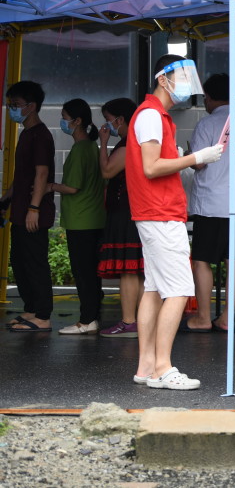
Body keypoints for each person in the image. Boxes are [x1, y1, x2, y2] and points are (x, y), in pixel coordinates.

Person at [128, 55, 222, 390]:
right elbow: (151, 167)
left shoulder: (154, 115)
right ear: (163, 78)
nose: (186, 85)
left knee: (154, 289)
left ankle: (147, 366)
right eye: (182, 77)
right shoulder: (152, 115)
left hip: (154, 213)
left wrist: (188, 158)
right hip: (160, 213)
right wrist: (197, 157)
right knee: (180, 290)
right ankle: (163, 369)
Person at [184, 74, 235, 333]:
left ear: (211, 97)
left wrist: (186, 156)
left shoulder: (208, 124)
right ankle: (227, 318)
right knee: (233, 261)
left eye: (204, 96)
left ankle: (203, 317)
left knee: (202, 260)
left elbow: (200, 162)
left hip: (211, 203)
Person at [48, 98, 107, 334]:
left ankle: (87, 320)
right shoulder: (92, 147)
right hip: (94, 218)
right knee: (92, 272)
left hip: (81, 220)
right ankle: (93, 316)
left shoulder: (81, 148)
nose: (62, 122)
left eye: (64, 117)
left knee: (83, 273)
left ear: (77, 121)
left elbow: (72, 187)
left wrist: (49, 186)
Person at [3, 81, 56, 333]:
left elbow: (41, 173)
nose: (12, 109)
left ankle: (43, 315)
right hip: (20, 210)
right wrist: (6, 199)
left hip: (33, 212)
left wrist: (34, 208)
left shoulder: (41, 135)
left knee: (35, 262)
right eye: (10, 104)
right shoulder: (25, 133)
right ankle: (32, 308)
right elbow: (22, 176)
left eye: (16, 105)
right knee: (20, 261)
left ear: (31, 106)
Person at [95, 98, 144, 339]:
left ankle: (129, 321)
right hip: (135, 210)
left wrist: (103, 144)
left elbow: (106, 171)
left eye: (108, 120)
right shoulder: (140, 140)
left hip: (126, 212)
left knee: (129, 270)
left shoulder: (127, 144)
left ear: (120, 119)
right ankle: (142, 321)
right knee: (139, 271)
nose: (107, 126)